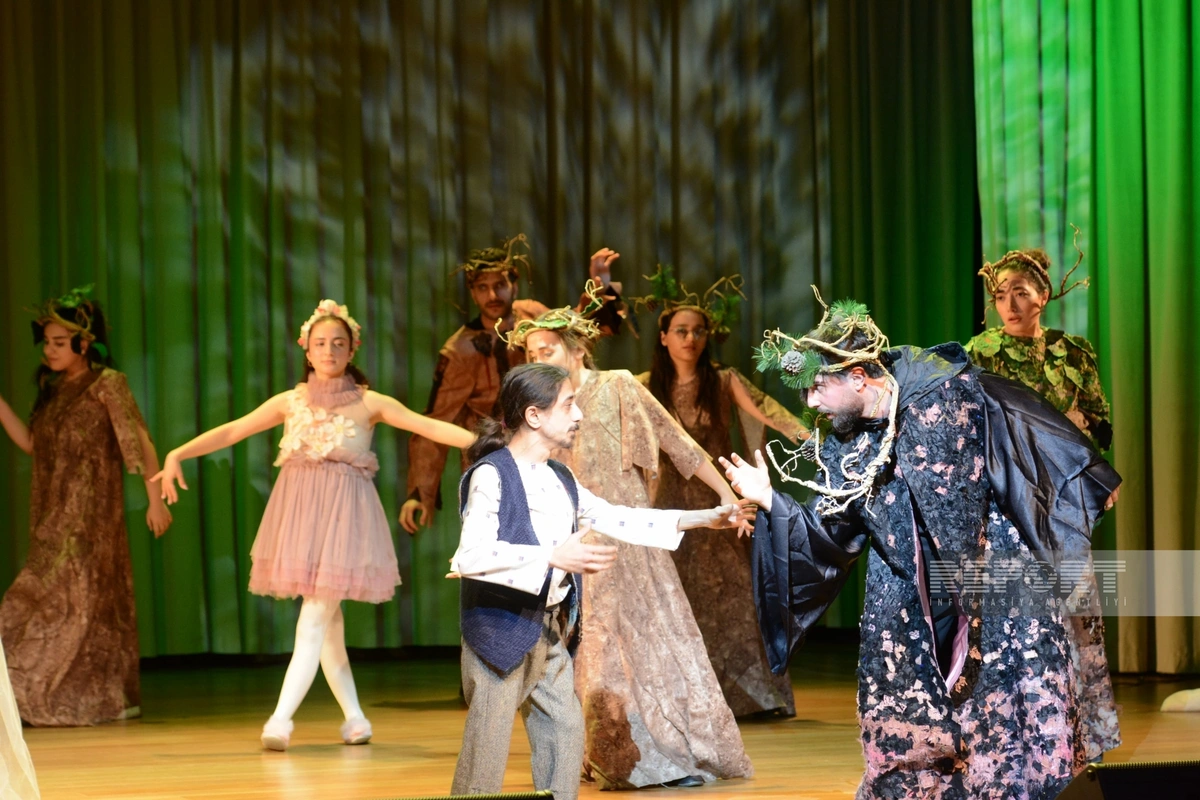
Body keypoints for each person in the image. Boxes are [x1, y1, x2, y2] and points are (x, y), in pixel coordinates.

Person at [721, 290, 1121, 799]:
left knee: (999, 717)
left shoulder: (944, 394)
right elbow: (828, 530)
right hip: (906, 586)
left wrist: (1086, 475)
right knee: (903, 707)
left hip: (986, 575)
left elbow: (996, 459)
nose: (811, 403)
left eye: (818, 389)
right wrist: (770, 500)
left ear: (858, 378)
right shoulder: (845, 436)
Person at [152, 299, 474, 750]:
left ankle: (280, 720)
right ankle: (355, 719)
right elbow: (233, 430)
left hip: (344, 523)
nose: (329, 351)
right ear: (306, 349)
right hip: (300, 522)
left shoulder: (369, 402)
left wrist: (494, 444)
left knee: (315, 617)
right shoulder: (291, 402)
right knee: (327, 622)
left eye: (338, 343)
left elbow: (429, 426)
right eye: (320, 343)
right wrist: (177, 453)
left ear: (352, 349)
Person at [448, 363, 749, 800]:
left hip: (549, 631)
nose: (579, 415)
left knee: (566, 732)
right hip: (499, 630)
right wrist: (550, 557)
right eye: (568, 405)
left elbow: (617, 516)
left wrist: (704, 518)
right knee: (487, 749)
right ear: (534, 416)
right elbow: (470, 555)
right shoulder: (491, 475)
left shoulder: (560, 476)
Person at [507, 306, 754, 789]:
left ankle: (666, 752)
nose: (539, 360)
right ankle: (615, 755)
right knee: (595, 652)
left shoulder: (617, 385)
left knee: (654, 645)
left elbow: (675, 441)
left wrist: (725, 494)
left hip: (634, 536)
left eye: (547, 350)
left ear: (577, 349)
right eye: (532, 354)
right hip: (577, 543)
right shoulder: (539, 410)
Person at [966, 240, 1121, 759]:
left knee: (1075, 611)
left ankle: (1083, 735)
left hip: (1064, 498)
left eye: (1020, 292)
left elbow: (1098, 423)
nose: (1009, 304)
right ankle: (1016, 734)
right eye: (1000, 295)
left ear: (1042, 297)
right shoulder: (980, 352)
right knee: (1018, 615)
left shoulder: (1074, 352)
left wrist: (1096, 476)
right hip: (1008, 498)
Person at [635, 267, 806, 717]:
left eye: (698, 331)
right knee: (675, 597)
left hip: (719, 499)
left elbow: (766, 410)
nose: (690, 338)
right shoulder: (643, 386)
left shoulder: (723, 380)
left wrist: (810, 436)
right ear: (664, 337)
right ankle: (680, 699)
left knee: (734, 598)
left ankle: (753, 698)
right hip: (668, 501)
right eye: (681, 331)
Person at [0, 286, 172, 726]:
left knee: (73, 606)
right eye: (47, 342)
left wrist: (155, 501)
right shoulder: (54, 389)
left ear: (84, 343)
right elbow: (32, 444)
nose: (50, 350)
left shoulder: (107, 384)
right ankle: (31, 696)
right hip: (52, 517)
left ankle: (76, 696)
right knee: (37, 603)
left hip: (91, 520)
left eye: (60, 342)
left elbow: (141, 442)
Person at [400, 235, 625, 534]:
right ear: (472, 292)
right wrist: (421, 492)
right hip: (499, 458)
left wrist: (600, 286)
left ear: (514, 285)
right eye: (483, 288)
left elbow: (578, 329)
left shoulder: (531, 317)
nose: (493, 295)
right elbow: (437, 417)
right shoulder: (460, 351)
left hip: (553, 446)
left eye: (500, 285)